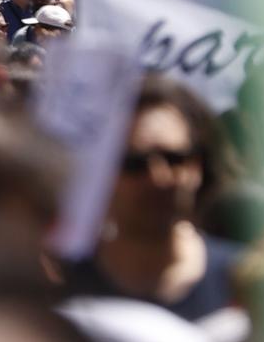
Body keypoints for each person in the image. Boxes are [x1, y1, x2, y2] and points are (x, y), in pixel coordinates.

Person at [57, 75, 248, 327]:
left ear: (198, 165)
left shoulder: (243, 283)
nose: (158, 178)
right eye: (133, 164)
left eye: (175, 158)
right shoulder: (58, 283)